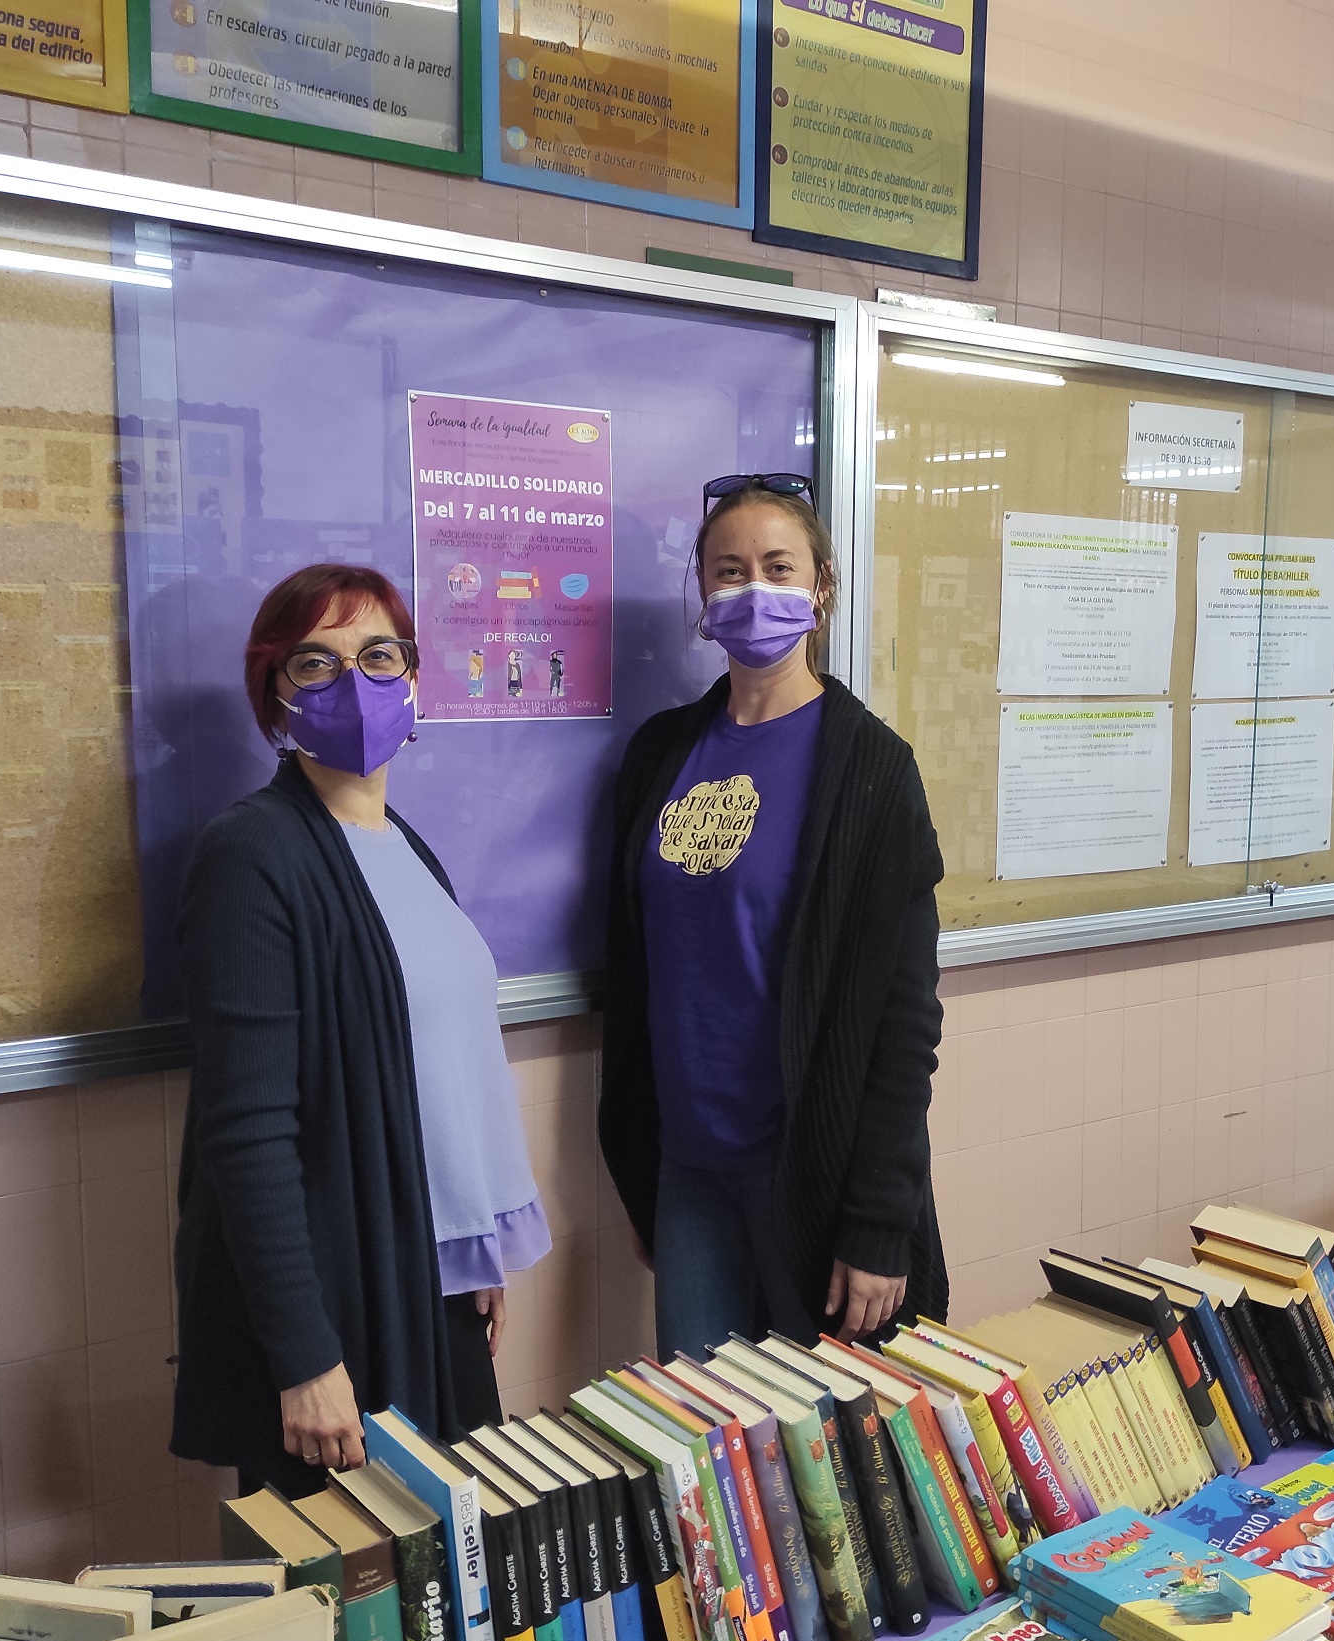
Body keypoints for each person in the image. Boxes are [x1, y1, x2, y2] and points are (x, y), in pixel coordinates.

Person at [170, 563, 548, 1498]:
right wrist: (304, 1358)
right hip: (342, 1304)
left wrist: (471, 1248)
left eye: (379, 655)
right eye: (316, 662)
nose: (354, 680)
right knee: (362, 1575)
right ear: (275, 695)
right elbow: (245, 1133)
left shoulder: (407, 846)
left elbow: (444, 1069)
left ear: (412, 677)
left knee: (463, 1548)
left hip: (433, 1277)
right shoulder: (251, 855)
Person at [600, 471, 946, 1362]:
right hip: (689, 1171)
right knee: (708, 1431)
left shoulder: (872, 771)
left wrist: (881, 1220)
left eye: (778, 567)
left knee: (829, 1436)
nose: (753, 589)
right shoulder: (660, 754)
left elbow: (904, 1019)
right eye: (729, 570)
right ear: (703, 592)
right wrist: (640, 1174)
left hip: (814, 1175)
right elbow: (633, 970)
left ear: (821, 587)